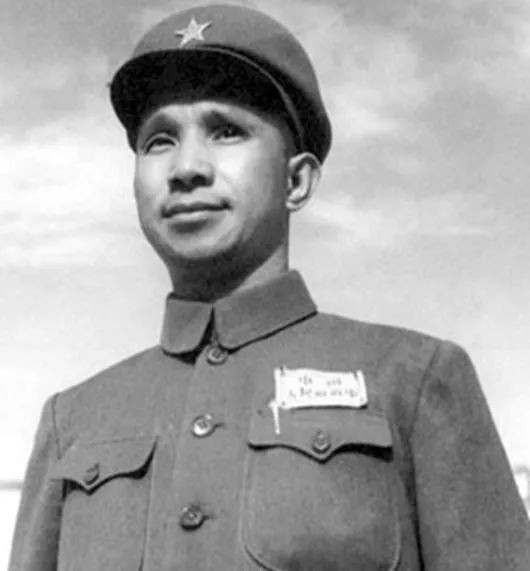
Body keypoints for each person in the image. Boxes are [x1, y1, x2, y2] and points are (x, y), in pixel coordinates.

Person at [9, 4, 530, 570]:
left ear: (297, 179)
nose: (186, 168)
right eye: (158, 141)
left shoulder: (413, 381)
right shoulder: (73, 422)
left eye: (227, 131)